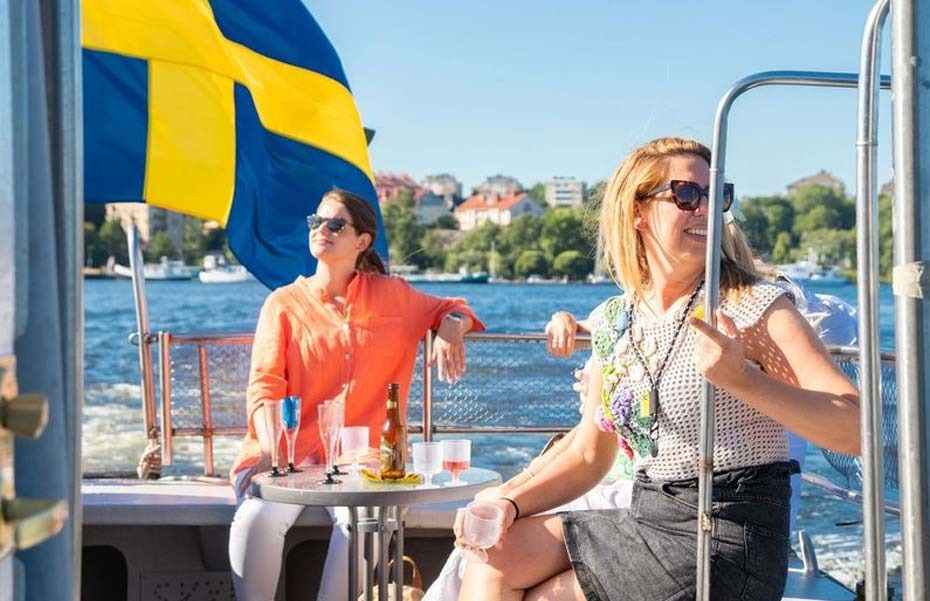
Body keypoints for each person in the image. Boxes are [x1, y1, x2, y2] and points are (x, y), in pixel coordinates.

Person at [454, 136, 860, 601]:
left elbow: (853, 428)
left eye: (715, 195)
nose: (704, 208)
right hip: (647, 515)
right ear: (637, 212)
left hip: (727, 536)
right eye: (687, 194)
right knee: (490, 553)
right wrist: (506, 502)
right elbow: (589, 455)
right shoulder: (616, 319)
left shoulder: (753, 306)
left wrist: (744, 380)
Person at [227, 188, 484, 601]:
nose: (322, 230)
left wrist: (451, 328)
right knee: (257, 517)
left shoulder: (393, 294)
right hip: (289, 453)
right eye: (317, 222)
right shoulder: (283, 304)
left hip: (359, 458)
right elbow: (264, 385)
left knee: (365, 519)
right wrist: (271, 448)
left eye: (335, 224)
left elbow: (453, 307)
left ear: (362, 241)